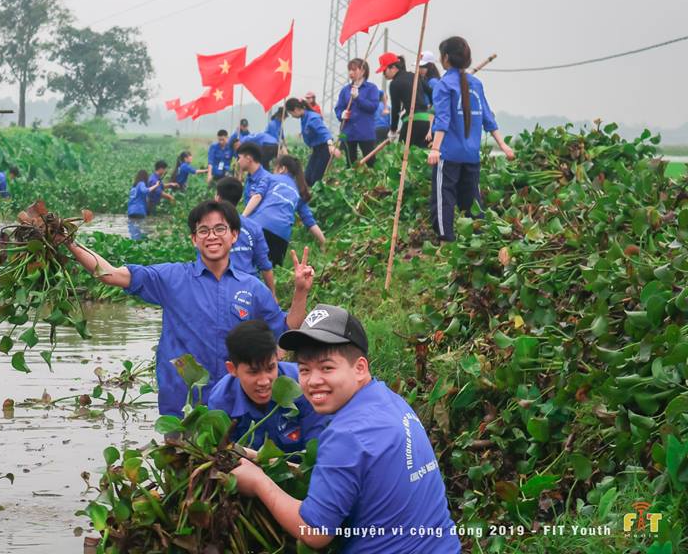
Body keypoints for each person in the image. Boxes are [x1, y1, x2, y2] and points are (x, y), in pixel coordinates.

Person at [232, 304, 462, 554]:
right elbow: (350, 475)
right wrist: (263, 460)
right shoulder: (390, 401)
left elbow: (315, 532)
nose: (313, 380)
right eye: (305, 369)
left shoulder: (347, 434)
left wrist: (258, 482)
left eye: (327, 367)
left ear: (359, 368)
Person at [63, 200, 315, 418]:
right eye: (203, 230)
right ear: (194, 239)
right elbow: (111, 275)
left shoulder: (252, 287)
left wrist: (300, 291)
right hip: (182, 404)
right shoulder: (172, 278)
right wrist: (69, 243)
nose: (212, 236)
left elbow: (286, 332)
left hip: (236, 404)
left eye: (220, 229)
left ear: (234, 235)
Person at [429, 36, 515, 242]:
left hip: (449, 153)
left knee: (444, 196)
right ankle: (479, 239)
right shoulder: (475, 83)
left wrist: (435, 149)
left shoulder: (443, 85)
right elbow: (488, 117)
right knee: (471, 198)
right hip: (471, 154)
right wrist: (503, 145)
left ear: (446, 58)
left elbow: (443, 119)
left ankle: (445, 240)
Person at [207, 320, 328, 452]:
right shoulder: (221, 401)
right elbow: (225, 458)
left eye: (270, 368)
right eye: (253, 372)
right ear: (232, 369)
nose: (264, 381)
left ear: (277, 357)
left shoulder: (303, 383)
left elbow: (318, 449)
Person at [250, 155, 326, 266]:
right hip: (281, 236)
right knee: (271, 270)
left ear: (282, 169)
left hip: (260, 226)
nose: (273, 171)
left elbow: (257, 197)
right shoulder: (299, 191)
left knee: (248, 266)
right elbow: (310, 222)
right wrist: (324, 242)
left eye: (275, 168)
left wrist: (242, 218)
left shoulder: (271, 178)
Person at [214, 176, 275, 293]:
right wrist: (272, 295)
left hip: (218, 289)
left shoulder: (208, 227)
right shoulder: (253, 227)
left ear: (217, 198)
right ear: (239, 198)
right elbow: (265, 266)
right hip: (249, 288)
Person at [378, 52, 430, 149]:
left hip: (412, 122)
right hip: (425, 121)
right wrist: (430, 106)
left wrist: (393, 130)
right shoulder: (414, 76)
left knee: (403, 154)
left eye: (384, 70)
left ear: (393, 67)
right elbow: (430, 91)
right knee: (421, 154)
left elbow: (395, 109)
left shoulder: (394, 84)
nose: (383, 74)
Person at [334, 58, 381, 168]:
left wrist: (358, 98)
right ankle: (352, 184)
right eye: (349, 70)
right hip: (348, 132)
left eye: (354, 70)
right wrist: (342, 114)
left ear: (363, 71)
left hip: (365, 132)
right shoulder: (345, 90)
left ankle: (373, 184)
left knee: (371, 162)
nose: (351, 73)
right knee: (350, 163)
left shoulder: (371, 88)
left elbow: (373, 107)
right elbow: (338, 108)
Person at [285, 98, 339, 187]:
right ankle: (308, 197)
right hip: (316, 150)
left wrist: (331, 145)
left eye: (291, 114)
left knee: (315, 179)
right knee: (307, 177)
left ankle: (318, 197)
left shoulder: (312, 118)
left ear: (295, 110)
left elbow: (324, 132)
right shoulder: (304, 117)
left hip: (324, 149)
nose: (292, 116)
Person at [237, 142, 274, 215]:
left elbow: (258, 197)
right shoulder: (249, 177)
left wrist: (243, 219)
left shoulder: (266, 178)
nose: (238, 161)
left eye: (239, 158)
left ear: (248, 159)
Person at [127, 169, 160, 241]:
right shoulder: (141, 183)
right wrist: (156, 185)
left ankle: (134, 242)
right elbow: (145, 191)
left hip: (131, 212)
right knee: (141, 229)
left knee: (133, 230)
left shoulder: (134, 187)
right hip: (139, 211)